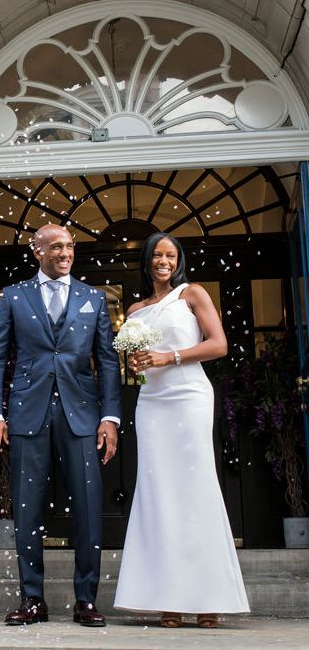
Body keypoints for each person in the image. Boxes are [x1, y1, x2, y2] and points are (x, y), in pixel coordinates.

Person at [0, 223, 121, 627]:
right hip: (28, 412)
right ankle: (32, 599)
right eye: (56, 246)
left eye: (70, 246)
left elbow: (108, 361)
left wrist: (109, 417)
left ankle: (86, 599)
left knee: (89, 508)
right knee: (27, 508)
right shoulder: (13, 296)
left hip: (81, 414)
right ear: (36, 250)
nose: (65, 252)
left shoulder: (93, 298)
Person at [113, 232, 249, 627]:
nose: (164, 261)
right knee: (159, 497)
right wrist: (138, 364)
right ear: (147, 260)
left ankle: (209, 599)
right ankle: (168, 599)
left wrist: (167, 357)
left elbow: (219, 344)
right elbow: (137, 362)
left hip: (188, 398)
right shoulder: (136, 308)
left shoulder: (192, 294)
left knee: (195, 490)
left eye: (171, 255)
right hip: (152, 404)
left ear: (179, 260)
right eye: (157, 254)